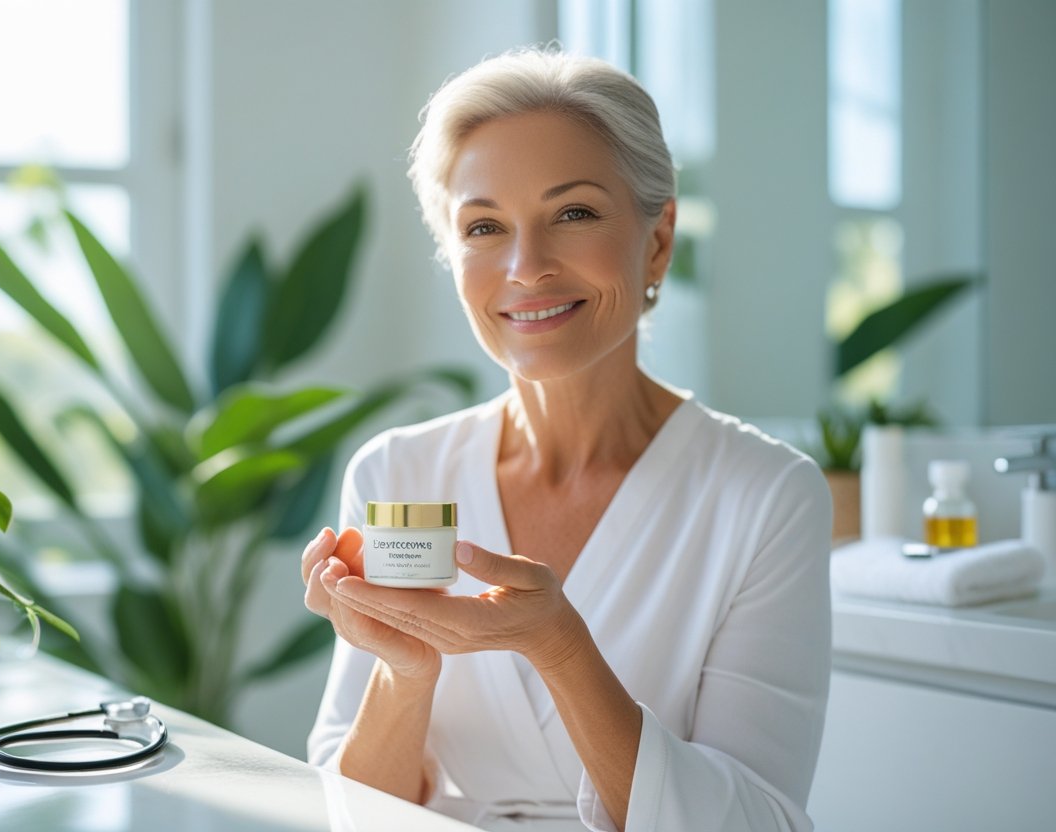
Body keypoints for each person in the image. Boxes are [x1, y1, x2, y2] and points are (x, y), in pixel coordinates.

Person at [301, 47, 831, 832]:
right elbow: (349, 811)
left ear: (657, 240)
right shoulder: (399, 472)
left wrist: (560, 648)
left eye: (573, 213)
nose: (526, 267)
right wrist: (407, 671)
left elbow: (759, 822)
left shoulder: (766, 496)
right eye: (484, 227)